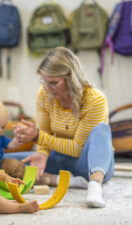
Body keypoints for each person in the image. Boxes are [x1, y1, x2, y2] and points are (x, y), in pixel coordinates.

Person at [13, 47, 114, 208]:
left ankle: (94, 186)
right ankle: (60, 180)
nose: (47, 88)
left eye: (53, 83)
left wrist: (37, 136)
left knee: (102, 130)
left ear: (72, 79)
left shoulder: (95, 100)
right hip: (60, 160)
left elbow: (77, 148)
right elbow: (44, 133)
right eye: (43, 81)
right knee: (4, 160)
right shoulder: (44, 94)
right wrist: (41, 154)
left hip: (88, 164)